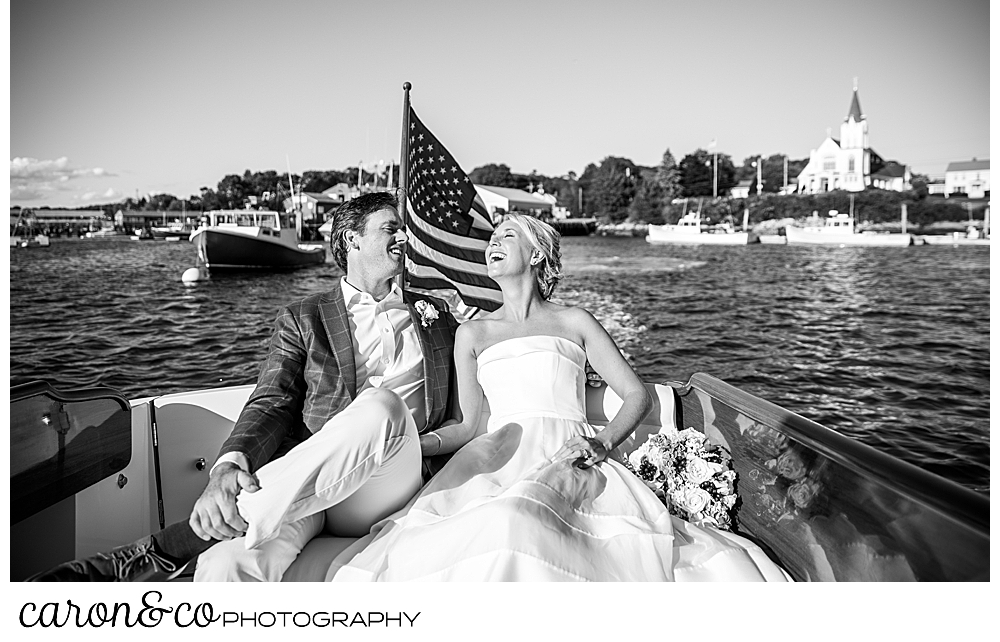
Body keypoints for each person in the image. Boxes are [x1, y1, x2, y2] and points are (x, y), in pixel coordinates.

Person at [326, 213, 789, 582]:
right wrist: (410, 443)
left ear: (536, 255)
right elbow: (466, 427)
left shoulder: (576, 322)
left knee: (523, 518)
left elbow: (634, 396)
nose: (494, 243)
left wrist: (601, 443)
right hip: (495, 456)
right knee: (498, 518)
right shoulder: (472, 332)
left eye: (508, 235)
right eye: (493, 238)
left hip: (572, 452)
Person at [29, 192, 460, 582]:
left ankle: (172, 546)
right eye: (391, 228)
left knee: (380, 407)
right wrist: (226, 468)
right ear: (352, 240)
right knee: (225, 566)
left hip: (392, 476)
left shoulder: (436, 313)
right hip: (306, 487)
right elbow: (272, 399)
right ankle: (193, 556)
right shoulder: (304, 317)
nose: (404, 237)